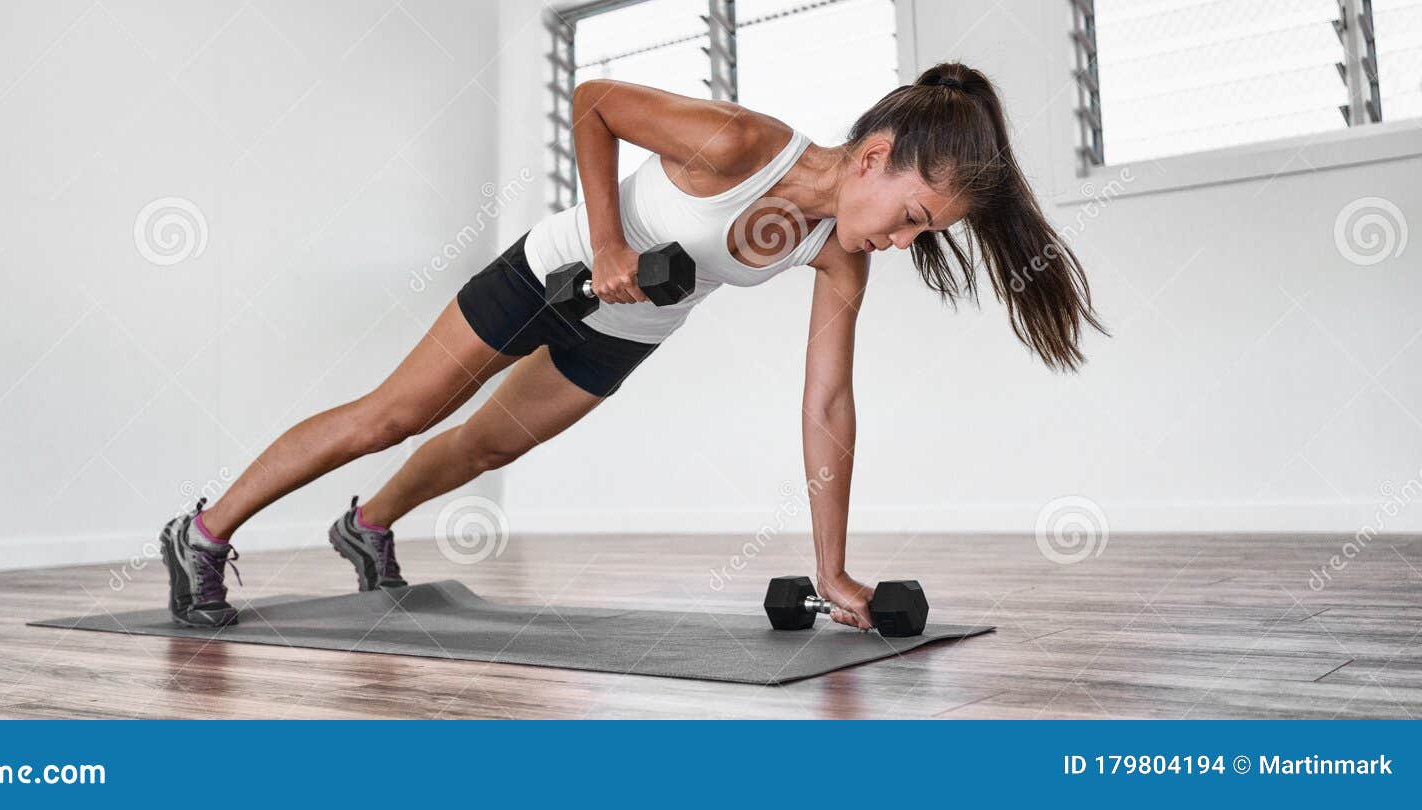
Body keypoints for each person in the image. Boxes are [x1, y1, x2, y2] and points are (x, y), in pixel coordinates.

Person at [158, 62, 1105, 631]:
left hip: (631, 324)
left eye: (921, 236)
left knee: (490, 444)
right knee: (398, 413)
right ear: (871, 159)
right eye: (909, 217)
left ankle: (365, 528)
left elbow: (827, 407)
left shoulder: (838, 257)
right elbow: (596, 100)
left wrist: (831, 570)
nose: (902, 243)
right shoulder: (741, 143)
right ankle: (201, 534)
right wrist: (609, 242)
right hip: (558, 271)